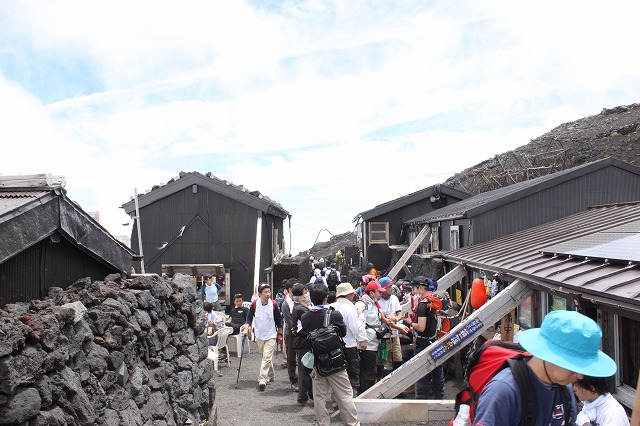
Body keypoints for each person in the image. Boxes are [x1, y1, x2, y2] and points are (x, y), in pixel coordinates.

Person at [473, 310, 617, 426]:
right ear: (549, 354)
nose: (580, 376)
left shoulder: (564, 391)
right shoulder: (504, 392)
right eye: (574, 366)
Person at [300, 283, 360, 426]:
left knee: (319, 397)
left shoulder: (306, 317)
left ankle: (323, 423)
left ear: (311, 299)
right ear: (326, 298)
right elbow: (343, 332)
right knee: (345, 395)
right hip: (336, 361)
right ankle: (352, 423)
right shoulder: (334, 314)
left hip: (317, 362)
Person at [407, 276, 444, 399]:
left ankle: (423, 398)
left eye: (414, 289)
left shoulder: (423, 305)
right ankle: (439, 398)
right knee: (437, 371)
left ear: (420, 288)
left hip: (424, 343)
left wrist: (409, 322)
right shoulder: (432, 301)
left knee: (423, 372)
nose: (413, 292)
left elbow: (421, 327)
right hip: (436, 340)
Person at [242, 283, 283, 391]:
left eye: (269, 292)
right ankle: (271, 375)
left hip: (271, 334)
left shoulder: (273, 304)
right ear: (260, 294)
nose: (268, 294)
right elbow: (249, 318)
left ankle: (262, 379)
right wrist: (246, 328)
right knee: (265, 356)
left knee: (266, 356)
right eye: (265, 292)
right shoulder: (255, 304)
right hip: (259, 334)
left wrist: (280, 333)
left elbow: (279, 319)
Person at [331, 283, 368, 396]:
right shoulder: (350, 308)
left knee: (336, 375)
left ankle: (336, 403)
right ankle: (351, 401)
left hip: (333, 346)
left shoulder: (331, 307)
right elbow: (355, 330)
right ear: (348, 295)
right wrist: (361, 318)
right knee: (351, 375)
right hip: (349, 346)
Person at [377, 277, 410, 372]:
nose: (391, 288)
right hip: (383, 335)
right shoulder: (378, 300)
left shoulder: (394, 298)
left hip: (394, 334)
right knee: (382, 359)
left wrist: (396, 318)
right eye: (389, 287)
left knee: (397, 358)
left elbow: (399, 313)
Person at [359, 280, 384, 394]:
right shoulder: (365, 304)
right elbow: (360, 323)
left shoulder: (373, 303)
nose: (381, 294)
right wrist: (363, 340)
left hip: (372, 342)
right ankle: (364, 395)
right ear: (372, 293)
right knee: (369, 372)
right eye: (379, 292)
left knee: (370, 371)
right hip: (367, 344)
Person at [292, 282, 314, 405]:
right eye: (305, 292)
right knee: (304, 369)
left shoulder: (303, 305)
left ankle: (308, 394)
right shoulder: (300, 308)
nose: (307, 294)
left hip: (305, 340)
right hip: (303, 341)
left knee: (308, 368)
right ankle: (302, 396)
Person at [281, 279, 299, 392]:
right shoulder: (286, 304)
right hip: (291, 333)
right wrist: (295, 330)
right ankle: (293, 379)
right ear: (290, 290)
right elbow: (289, 321)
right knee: (291, 358)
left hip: (301, 333)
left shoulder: (300, 300)